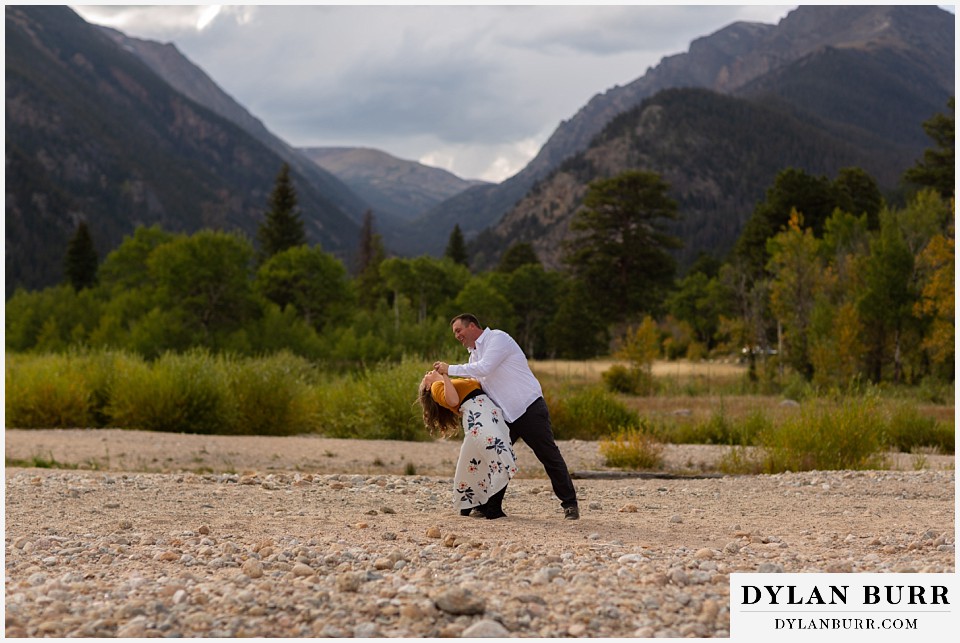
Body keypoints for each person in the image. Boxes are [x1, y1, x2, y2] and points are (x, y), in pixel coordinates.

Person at [434, 313, 580, 520]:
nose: (457, 336)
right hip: (504, 416)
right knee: (493, 458)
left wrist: (450, 368)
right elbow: (475, 386)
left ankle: (570, 504)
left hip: (528, 408)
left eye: (459, 331)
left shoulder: (498, 339)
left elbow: (485, 368)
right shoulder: (472, 356)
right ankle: (489, 507)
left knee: (548, 455)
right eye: (454, 333)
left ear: (473, 326)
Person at [417, 369, 516, 519]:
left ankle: (469, 507)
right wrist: (444, 376)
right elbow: (453, 401)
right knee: (500, 457)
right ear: (426, 386)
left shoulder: (446, 383)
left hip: (486, 416)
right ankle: (492, 509)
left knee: (471, 462)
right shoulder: (436, 386)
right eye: (426, 375)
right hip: (480, 417)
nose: (428, 372)